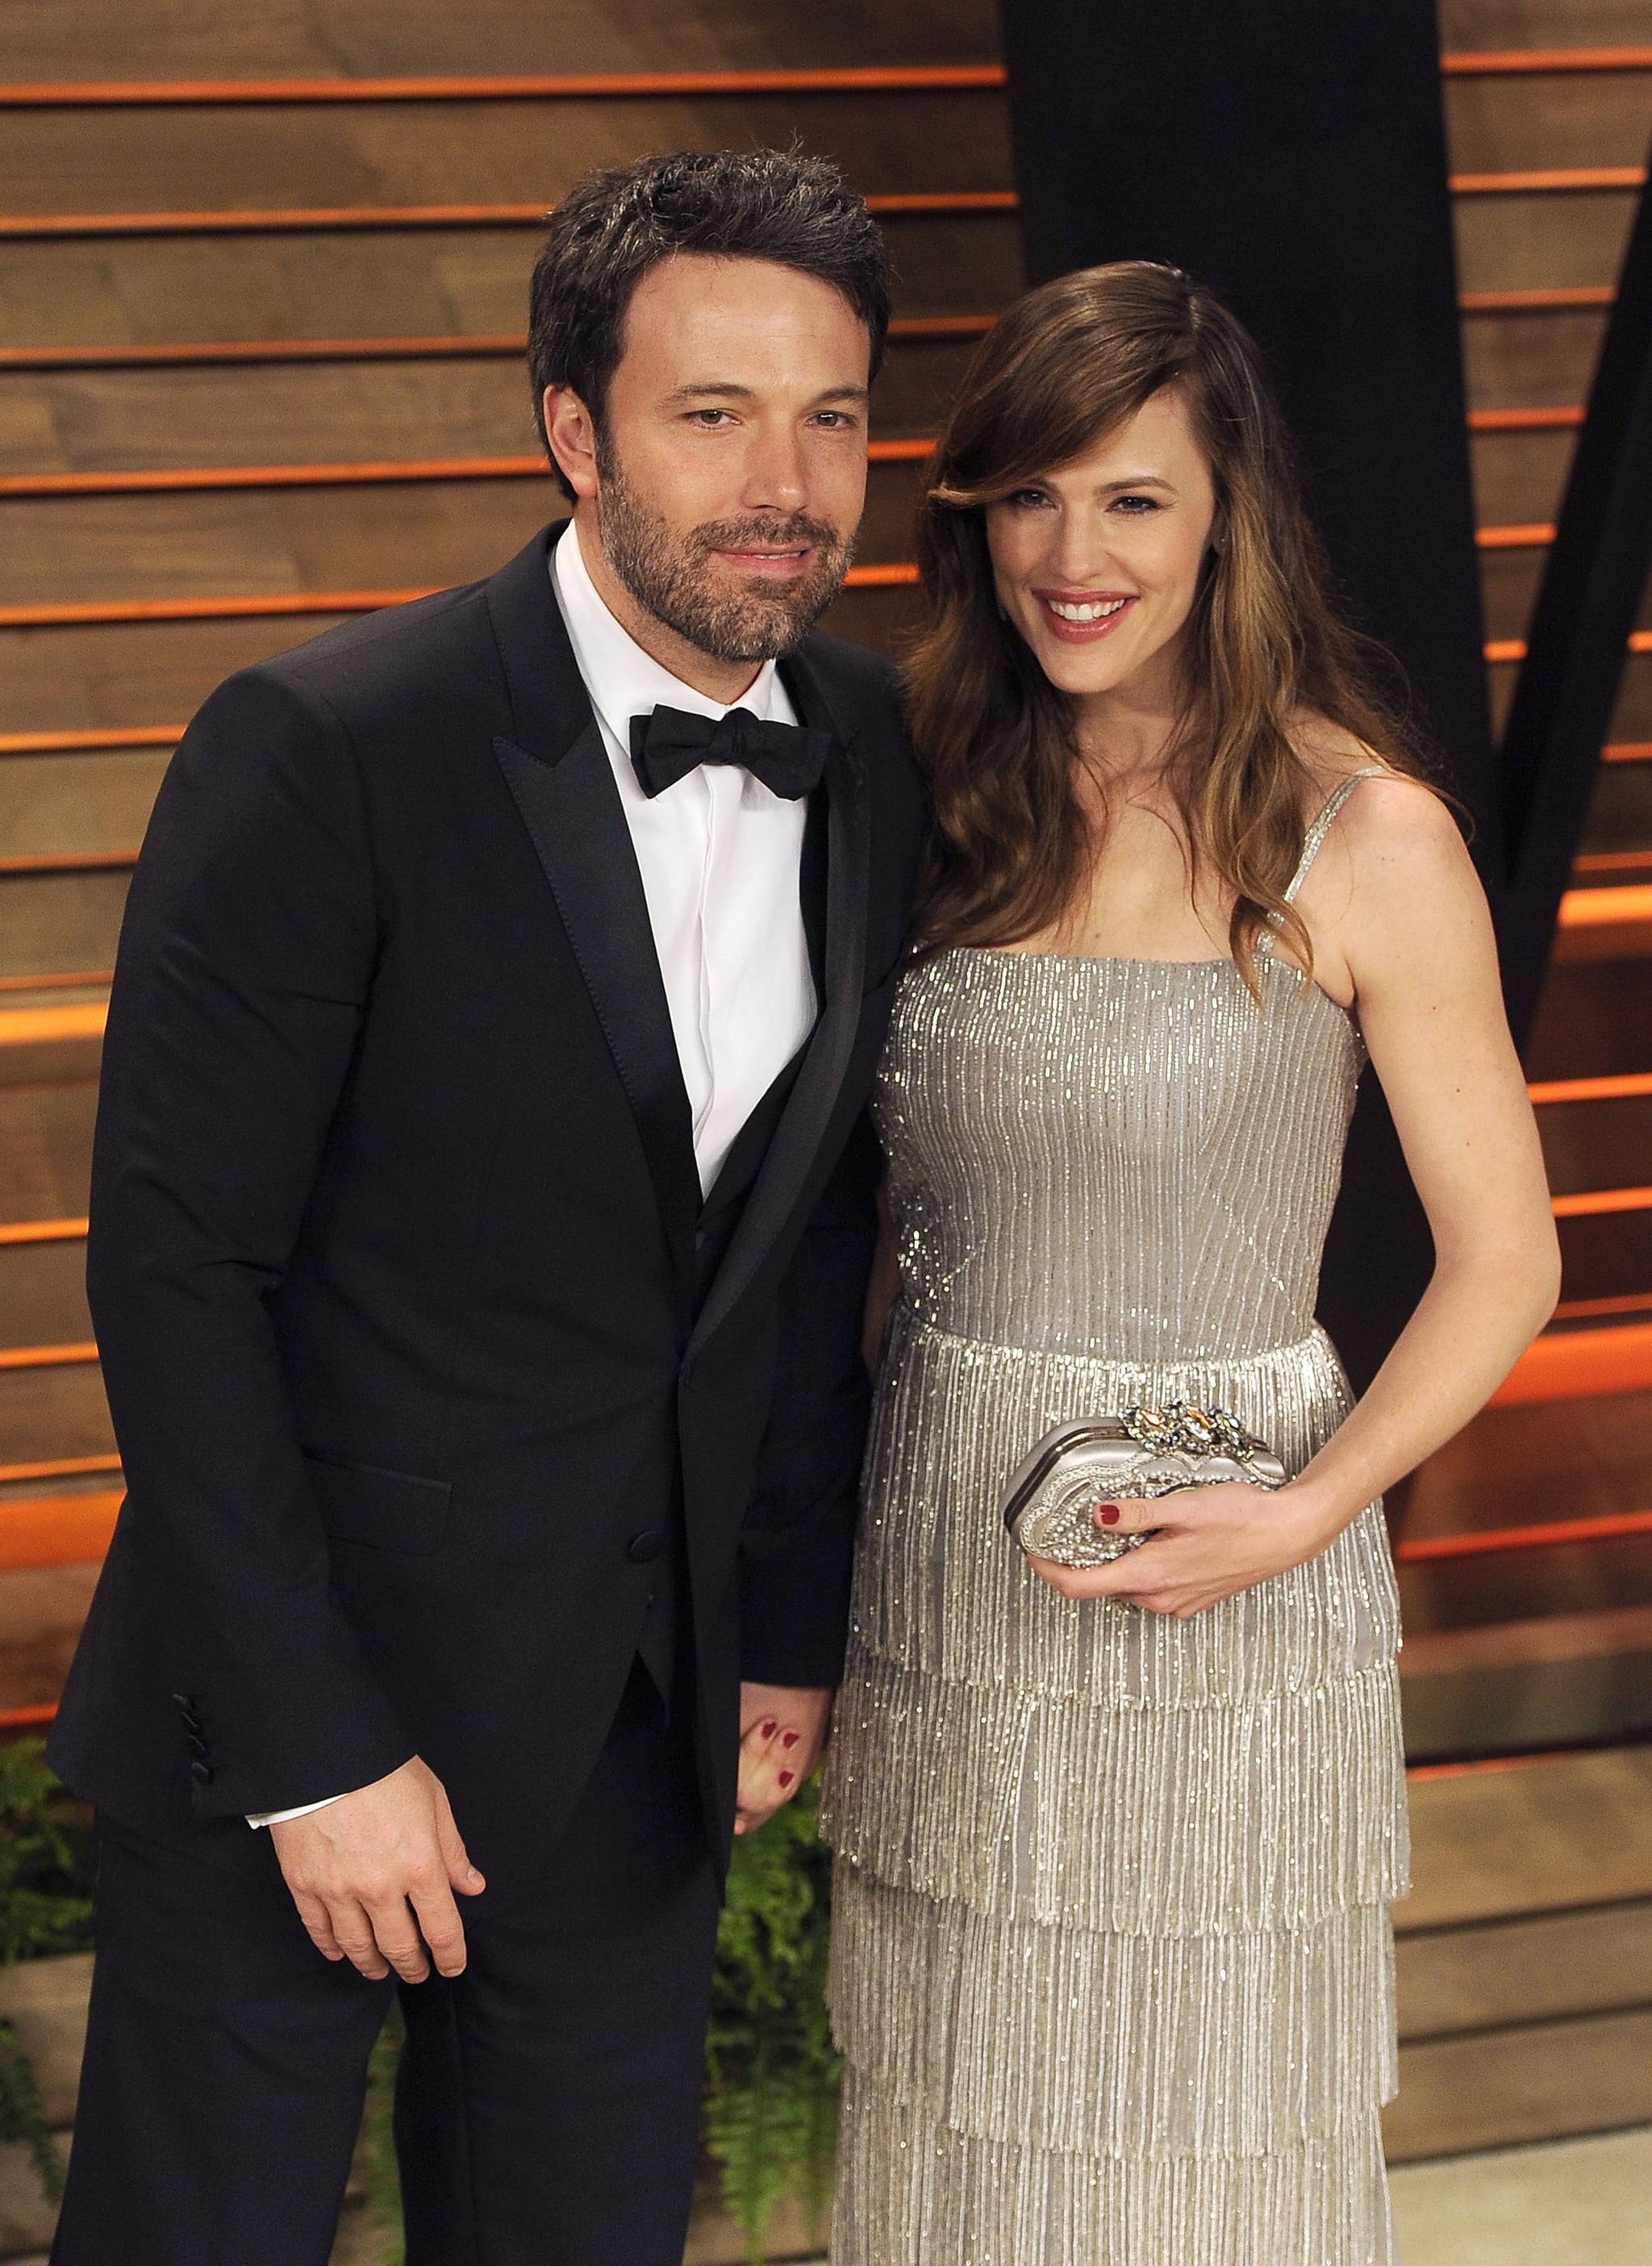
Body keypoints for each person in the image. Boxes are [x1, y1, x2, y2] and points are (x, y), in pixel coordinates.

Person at [46, 147, 924, 2266]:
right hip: (294, 1733)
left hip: (634, 1751)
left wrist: (782, 1630)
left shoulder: (871, 742)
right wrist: (315, 1747)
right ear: (573, 429)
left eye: (830, 417)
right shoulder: (329, 743)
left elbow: (808, 1241)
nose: (782, 477)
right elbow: (181, 1269)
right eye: (713, 413)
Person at [820, 261, 1559, 2264]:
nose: (1076, 554)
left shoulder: (1360, 834)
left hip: (1239, 1580)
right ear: (974, 515)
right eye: (1033, 496)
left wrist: (1305, 1513)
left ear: (1224, 513)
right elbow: (845, 1249)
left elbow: (1506, 1258)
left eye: (1132, 498)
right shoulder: (916, 796)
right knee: (958, 2115)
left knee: (1206, 2132)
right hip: (943, 1582)